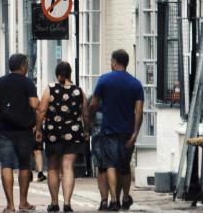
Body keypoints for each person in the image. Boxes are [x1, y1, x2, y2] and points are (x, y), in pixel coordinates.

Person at [88, 49, 144, 211]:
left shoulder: (104, 80)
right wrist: (135, 134)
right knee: (125, 167)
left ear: (114, 61)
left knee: (111, 165)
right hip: (127, 131)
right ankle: (125, 197)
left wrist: (91, 121)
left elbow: (93, 104)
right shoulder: (135, 84)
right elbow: (139, 112)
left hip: (109, 130)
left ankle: (114, 201)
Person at [0, 54, 40, 213]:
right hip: (24, 130)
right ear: (23, 66)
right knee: (24, 166)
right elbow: (34, 104)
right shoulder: (27, 82)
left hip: (4, 129)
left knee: (6, 165)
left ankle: (10, 205)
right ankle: (23, 203)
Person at [36, 61, 88, 212]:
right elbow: (85, 113)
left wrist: (38, 129)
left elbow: (42, 111)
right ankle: (67, 203)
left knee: (52, 167)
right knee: (68, 168)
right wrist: (86, 130)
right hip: (73, 133)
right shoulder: (78, 91)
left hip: (53, 133)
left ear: (57, 73)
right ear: (70, 73)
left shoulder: (50, 89)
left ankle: (54, 203)